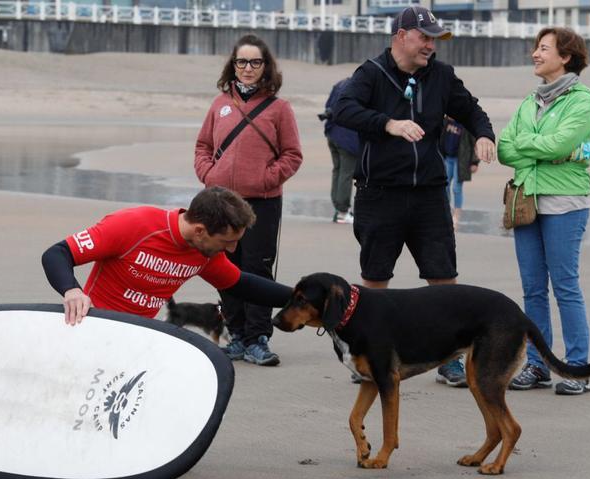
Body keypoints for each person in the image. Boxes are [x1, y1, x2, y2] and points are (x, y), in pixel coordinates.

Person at [332, 6, 496, 387]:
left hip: (429, 197)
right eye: (425, 37)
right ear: (401, 35)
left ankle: (449, 358)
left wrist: (484, 134)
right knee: (375, 280)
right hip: (379, 195)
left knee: (443, 280)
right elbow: (342, 110)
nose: (430, 45)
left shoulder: (441, 75)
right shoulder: (370, 74)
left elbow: (470, 109)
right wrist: (387, 124)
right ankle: (372, 355)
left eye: (434, 38)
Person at [41, 186, 293, 363]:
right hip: (96, 332)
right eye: (227, 241)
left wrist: (301, 298)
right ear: (199, 231)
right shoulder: (133, 225)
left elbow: (240, 284)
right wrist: (72, 290)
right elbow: (57, 253)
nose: (232, 249)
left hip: (142, 336)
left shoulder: (204, 253)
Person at [499, 27, 590, 395]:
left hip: (565, 204)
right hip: (527, 199)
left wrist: (529, 144)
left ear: (566, 56)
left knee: (565, 286)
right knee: (532, 290)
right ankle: (537, 365)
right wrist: (536, 147)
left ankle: (577, 368)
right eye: (536, 48)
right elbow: (505, 148)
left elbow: (563, 142)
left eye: (543, 49)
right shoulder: (530, 100)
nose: (535, 54)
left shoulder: (581, 100)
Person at [193, 34, 303, 366]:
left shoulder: (279, 108)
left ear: (266, 66)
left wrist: (265, 179)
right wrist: (210, 175)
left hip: (262, 203)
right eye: (242, 62)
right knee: (225, 268)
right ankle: (237, 335)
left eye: (255, 62)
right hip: (221, 201)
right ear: (233, 65)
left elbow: (292, 155)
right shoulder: (219, 104)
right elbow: (202, 147)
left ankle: (258, 339)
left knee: (257, 269)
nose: (248, 68)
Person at [321, 78, 360, 224]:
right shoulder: (358, 87)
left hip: (332, 134)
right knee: (346, 173)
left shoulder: (340, 84)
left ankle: (339, 209)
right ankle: (343, 211)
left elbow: (328, 106)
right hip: (346, 138)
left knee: (338, 170)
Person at [440, 115, 480, 229]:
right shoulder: (445, 121)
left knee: (457, 188)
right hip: (447, 158)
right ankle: (446, 212)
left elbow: (474, 143)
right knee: (445, 185)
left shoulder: (466, 123)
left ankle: (456, 215)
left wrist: (475, 162)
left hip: (461, 160)